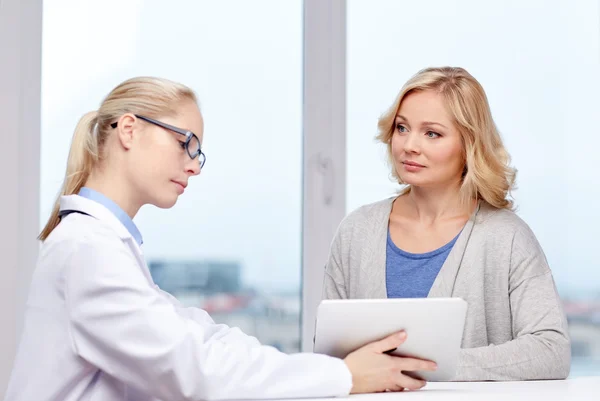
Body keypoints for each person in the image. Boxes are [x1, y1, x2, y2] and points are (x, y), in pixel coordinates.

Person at [4, 77, 438, 401]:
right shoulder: (88, 250)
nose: (195, 166)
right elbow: (194, 369)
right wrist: (343, 377)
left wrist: (327, 368)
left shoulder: (103, 244)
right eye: (186, 144)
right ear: (130, 131)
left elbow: (198, 335)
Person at [322, 67, 571, 381]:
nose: (409, 145)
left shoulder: (506, 237)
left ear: (469, 146)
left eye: (432, 133)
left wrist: (429, 366)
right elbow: (331, 358)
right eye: (402, 128)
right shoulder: (356, 231)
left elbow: (551, 351)